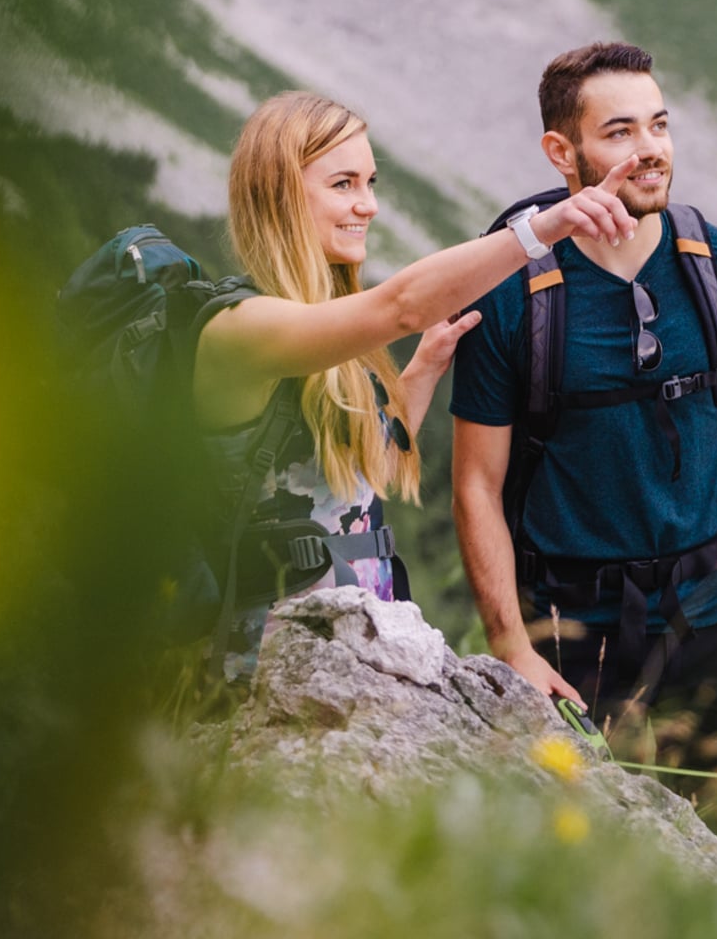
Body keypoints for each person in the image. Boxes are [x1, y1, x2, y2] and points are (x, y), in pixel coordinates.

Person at [448, 42, 717, 875]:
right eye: (621, 131)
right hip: (571, 638)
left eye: (661, 124)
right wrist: (511, 645)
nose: (652, 148)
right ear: (561, 153)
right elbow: (476, 483)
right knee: (591, 879)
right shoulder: (508, 290)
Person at [195, 91, 638, 682]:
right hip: (267, 674)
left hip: (357, 658)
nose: (369, 205)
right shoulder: (240, 330)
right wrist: (542, 229)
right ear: (279, 192)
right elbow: (401, 306)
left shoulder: (321, 328)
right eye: (344, 184)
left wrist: (422, 369)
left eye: (370, 181)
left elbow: (351, 476)